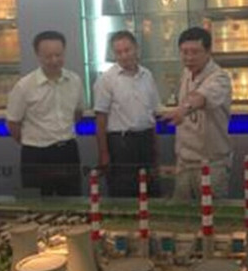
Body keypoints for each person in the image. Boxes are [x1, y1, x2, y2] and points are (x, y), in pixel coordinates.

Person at [6, 30, 84, 196]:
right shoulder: (24, 86)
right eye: (48, 56)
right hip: (36, 154)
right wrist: (33, 140)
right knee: (38, 203)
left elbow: (77, 114)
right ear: (38, 56)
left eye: (58, 55)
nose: (54, 60)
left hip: (68, 151)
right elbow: (13, 123)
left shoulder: (75, 81)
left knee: (72, 201)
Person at [161, 27, 232, 200]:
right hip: (184, 163)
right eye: (184, 52)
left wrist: (182, 110)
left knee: (211, 213)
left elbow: (200, 98)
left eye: (195, 52)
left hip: (211, 164)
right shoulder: (186, 73)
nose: (189, 57)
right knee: (183, 213)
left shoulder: (219, 77)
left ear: (208, 52)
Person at [93, 31, 162, 197]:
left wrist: (155, 147)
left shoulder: (147, 76)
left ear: (136, 49)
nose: (124, 56)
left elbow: (152, 114)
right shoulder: (106, 79)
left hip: (145, 140)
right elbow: (101, 119)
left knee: (150, 190)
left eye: (127, 50)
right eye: (119, 52)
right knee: (123, 191)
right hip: (121, 144)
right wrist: (103, 153)